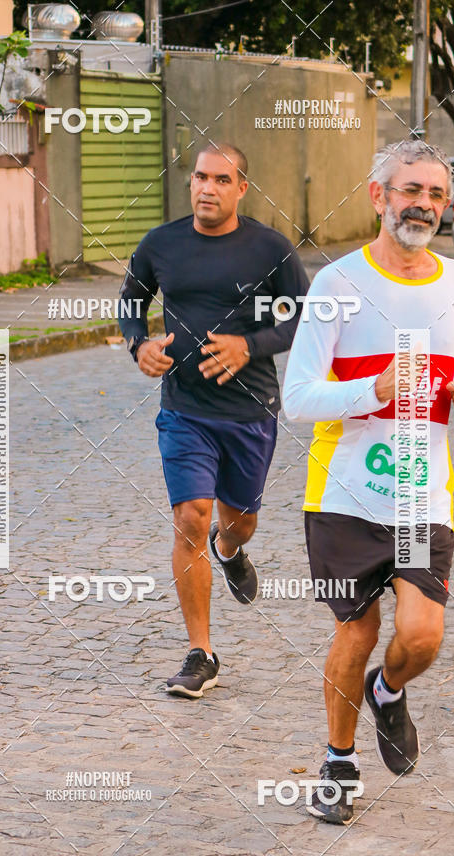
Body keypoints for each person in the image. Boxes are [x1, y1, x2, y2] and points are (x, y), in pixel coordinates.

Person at [283, 141, 454, 825]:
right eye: (410, 190)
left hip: (422, 496)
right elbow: (297, 398)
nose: (423, 205)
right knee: (357, 629)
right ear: (378, 196)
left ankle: (388, 692)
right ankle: (339, 763)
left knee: (421, 636)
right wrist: (372, 388)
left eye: (435, 194)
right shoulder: (337, 284)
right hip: (344, 497)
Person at [119, 142, 310, 698]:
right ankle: (201, 653)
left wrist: (249, 346)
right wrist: (138, 344)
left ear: (241, 188)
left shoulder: (270, 249)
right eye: (201, 177)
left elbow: (304, 317)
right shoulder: (161, 243)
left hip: (250, 410)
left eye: (222, 180)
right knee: (190, 517)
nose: (208, 188)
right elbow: (131, 300)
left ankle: (230, 549)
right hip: (185, 410)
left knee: (238, 520)